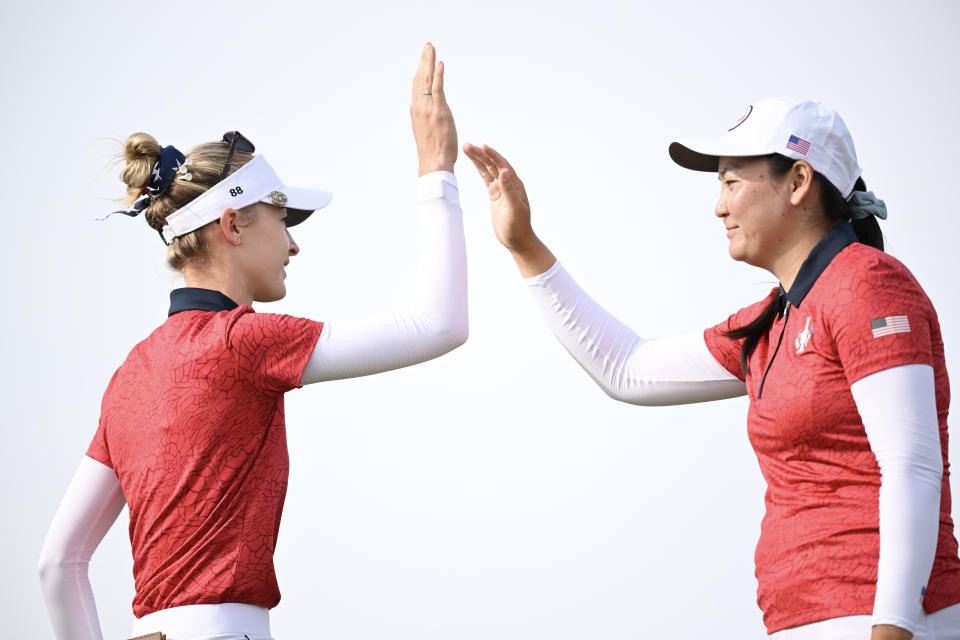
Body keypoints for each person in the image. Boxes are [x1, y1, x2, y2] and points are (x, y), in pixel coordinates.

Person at [463, 97, 960, 639]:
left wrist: (891, 627)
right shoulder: (773, 318)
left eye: (731, 183)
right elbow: (627, 368)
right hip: (812, 618)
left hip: (889, 619)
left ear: (798, 182)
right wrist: (523, 244)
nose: (718, 208)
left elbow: (911, 464)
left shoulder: (868, 283)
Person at [37, 43, 465, 640]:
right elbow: (439, 325)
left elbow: (58, 565)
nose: (294, 246)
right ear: (232, 223)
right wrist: (436, 170)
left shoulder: (129, 374)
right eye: (282, 219)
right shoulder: (244, 342)